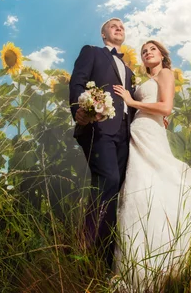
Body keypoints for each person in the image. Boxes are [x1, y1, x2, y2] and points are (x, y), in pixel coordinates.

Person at [112, 40, 191, 291]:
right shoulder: (144, 79)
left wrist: (132, 101)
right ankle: (142, 260)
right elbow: (160, 109)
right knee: (142, 190)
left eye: (152, 49)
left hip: (150, 131)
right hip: (139, 132)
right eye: (144, 51)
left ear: (162, 55)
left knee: (162, 182)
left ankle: (169, 260)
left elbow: (166, 106)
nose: (148, 53)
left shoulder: (166, 74)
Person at [68, 18, 135, 270]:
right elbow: (77, 82)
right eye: (113, 25)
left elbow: (131, 101)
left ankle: (106, 258)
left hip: (125, 134)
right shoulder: (92, 52)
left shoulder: (129, 69)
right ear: (103, 34)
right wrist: (79, 110)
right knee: (106, 181)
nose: (119, 28)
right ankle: (84, 248)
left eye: (122, 26)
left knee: (115, 188)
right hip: (99, 125)